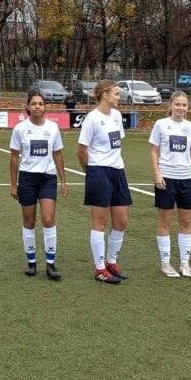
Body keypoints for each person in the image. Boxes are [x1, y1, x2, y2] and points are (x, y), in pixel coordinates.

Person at [10, 90, 69, 280]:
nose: (37, 106)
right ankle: (31, 262)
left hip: (47, 178)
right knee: (28, 221)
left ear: (45, 108)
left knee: (48, 218)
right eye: (34, 103)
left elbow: (58, 154)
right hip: (27, 178)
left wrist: (63, 180)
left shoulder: (52, 128)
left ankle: (50, 264)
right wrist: (13, 184)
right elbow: (13, 157)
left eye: (40, 104)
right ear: (27, 107)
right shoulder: (20, 128)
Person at [77, 79, 130, 284]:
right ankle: (99, 268)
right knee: (100, 222)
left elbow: (117, 145)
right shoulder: (91, 119)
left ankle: (111, 262)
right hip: (98, 171)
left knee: (121, 221)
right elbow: (81, 150)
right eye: (116, 93)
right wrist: (91, 173)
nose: (119, 97)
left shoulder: (116, 116)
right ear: (105, 95)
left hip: (118, 171)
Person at [150, 91, 191, 278]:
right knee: (165, 222)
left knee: (186, 222)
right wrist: (158, 174)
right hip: (166, 180)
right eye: (177, 104)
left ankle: (184, 263)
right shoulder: (161, 125)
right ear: (170, 105)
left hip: (186, 180)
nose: (181, 108)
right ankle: (165, 263)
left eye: (184, 105)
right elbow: (154, 152)